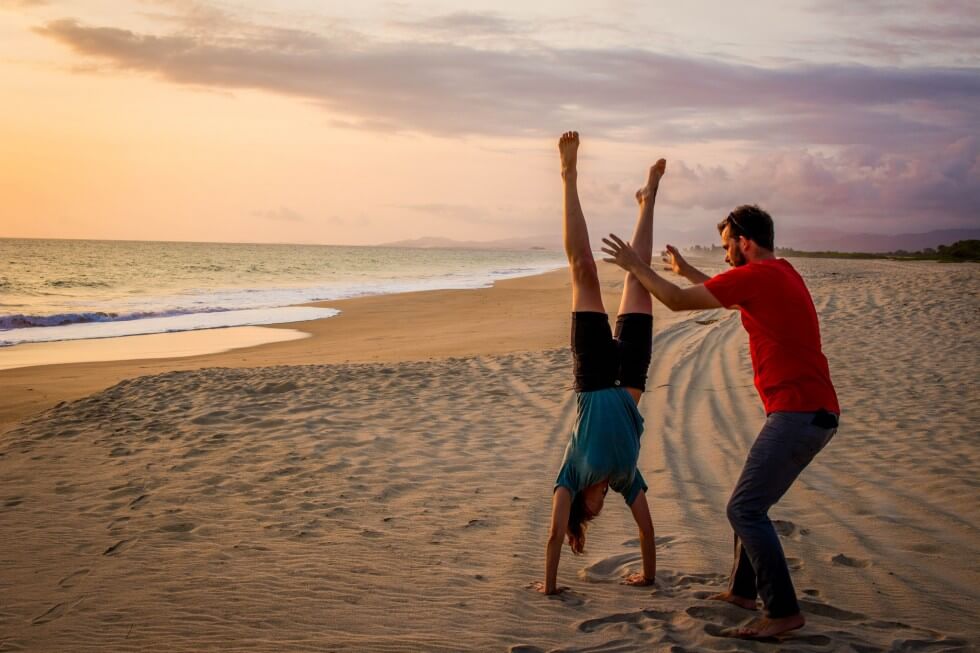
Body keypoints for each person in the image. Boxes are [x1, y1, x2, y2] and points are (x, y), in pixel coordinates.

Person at [600, 205, 840, 639]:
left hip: (799, 413)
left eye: (729, 244)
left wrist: (635, 265)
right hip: (811, 412)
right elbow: (725, 292)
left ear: (745, 242)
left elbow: (674, 302)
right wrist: (689, 269)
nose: (726, 252)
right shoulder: (780, 273)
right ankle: (742, 593)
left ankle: (783, 610)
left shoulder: (758, 277)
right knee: (750, 504)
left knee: (744, 509)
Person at [532, 131, 660, 596]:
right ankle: (647, 201)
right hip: (629, 375)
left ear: (581, 507)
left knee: (583, 269)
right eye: (606, 498)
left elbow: (551, 538)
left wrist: (549, 587)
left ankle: (568, 174)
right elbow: (647, 530)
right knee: (639, 279)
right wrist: (648, 575)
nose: (603, 495)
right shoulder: (626, 478)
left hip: (591, 376)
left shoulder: (569, 480)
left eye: (598, 500)